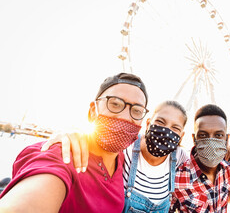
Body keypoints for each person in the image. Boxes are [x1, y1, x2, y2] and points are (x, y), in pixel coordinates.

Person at [0, 72, 149, 212]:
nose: (124, 116)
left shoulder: (123, 160)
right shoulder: (61, 154)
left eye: (137, 110)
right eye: (115, 104)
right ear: (92, 111)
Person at [40, 100, 189, 213]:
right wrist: (71, 134)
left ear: (181, 136)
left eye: (175, 128)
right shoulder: (125, 145)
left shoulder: (180, 158)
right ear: (148, 123)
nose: (166, 131)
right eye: (160, 122)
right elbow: (94, 139)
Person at [170, 104, 230, 212]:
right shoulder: (176, 178)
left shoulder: (229, 171)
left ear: (226, 138)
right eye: (203, 135)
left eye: (218, 135)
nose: (211, 142)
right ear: (194, 139)